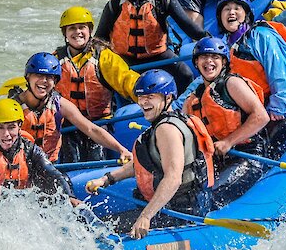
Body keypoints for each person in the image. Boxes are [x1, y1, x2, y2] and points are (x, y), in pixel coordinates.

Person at [85, 70, 216, 239]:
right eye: (141, 97)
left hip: (178, 213)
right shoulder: (166, 122)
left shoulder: (166, 129)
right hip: (177, 205)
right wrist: (107, 179)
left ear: (168, 98)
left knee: (98, 231)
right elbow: (143, 163)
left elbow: (173, 178)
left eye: (151, 97)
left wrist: (146, 217)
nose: (143, 102)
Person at [95, 0, 206, 93]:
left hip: (157, 56)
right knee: (100, 77)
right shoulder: (116, 3)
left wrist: (209, 40)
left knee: (185, 75)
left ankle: (181, 108)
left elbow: (191, 28)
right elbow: (100, 37)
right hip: (124, 59)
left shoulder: (164, 0)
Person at [215, 0, 286, 155]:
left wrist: (278, 106)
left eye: (237, 8)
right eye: (226, 9)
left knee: (264, 148)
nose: (231, 12)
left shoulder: (260, 35)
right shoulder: (225, 49)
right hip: (261, 108)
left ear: (246, 15)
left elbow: (280, 70)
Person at [182, 37, 270, 207]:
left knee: (210, 198)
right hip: (215, 160)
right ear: (196, 63)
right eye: (203, 58)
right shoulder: (191, 100)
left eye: (214, 57)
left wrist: (228, 142)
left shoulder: (232, 83)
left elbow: (261, 116)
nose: (209, 62)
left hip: (249, 154)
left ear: (223, 61)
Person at [7, 52, 133, 165]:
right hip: (18, 165)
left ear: (55, 81)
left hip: (49, 166)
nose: (44, 81)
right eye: (38, 75)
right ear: (28, 78)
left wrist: (121, 149)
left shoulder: (59, 104)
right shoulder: (12, 106)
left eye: (50, 77)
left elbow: (91, 129)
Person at [55, 6, 140, 163]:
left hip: (100, 122)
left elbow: (125, 78)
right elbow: (41, 85)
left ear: (90, 30)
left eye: (82, 27)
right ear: (65, 34)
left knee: (96, 157)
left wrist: (142, 91)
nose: (77, 32)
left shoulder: (103, 56)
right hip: (70, 125)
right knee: (71, 159)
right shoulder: (56, 59)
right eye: (72, 28)